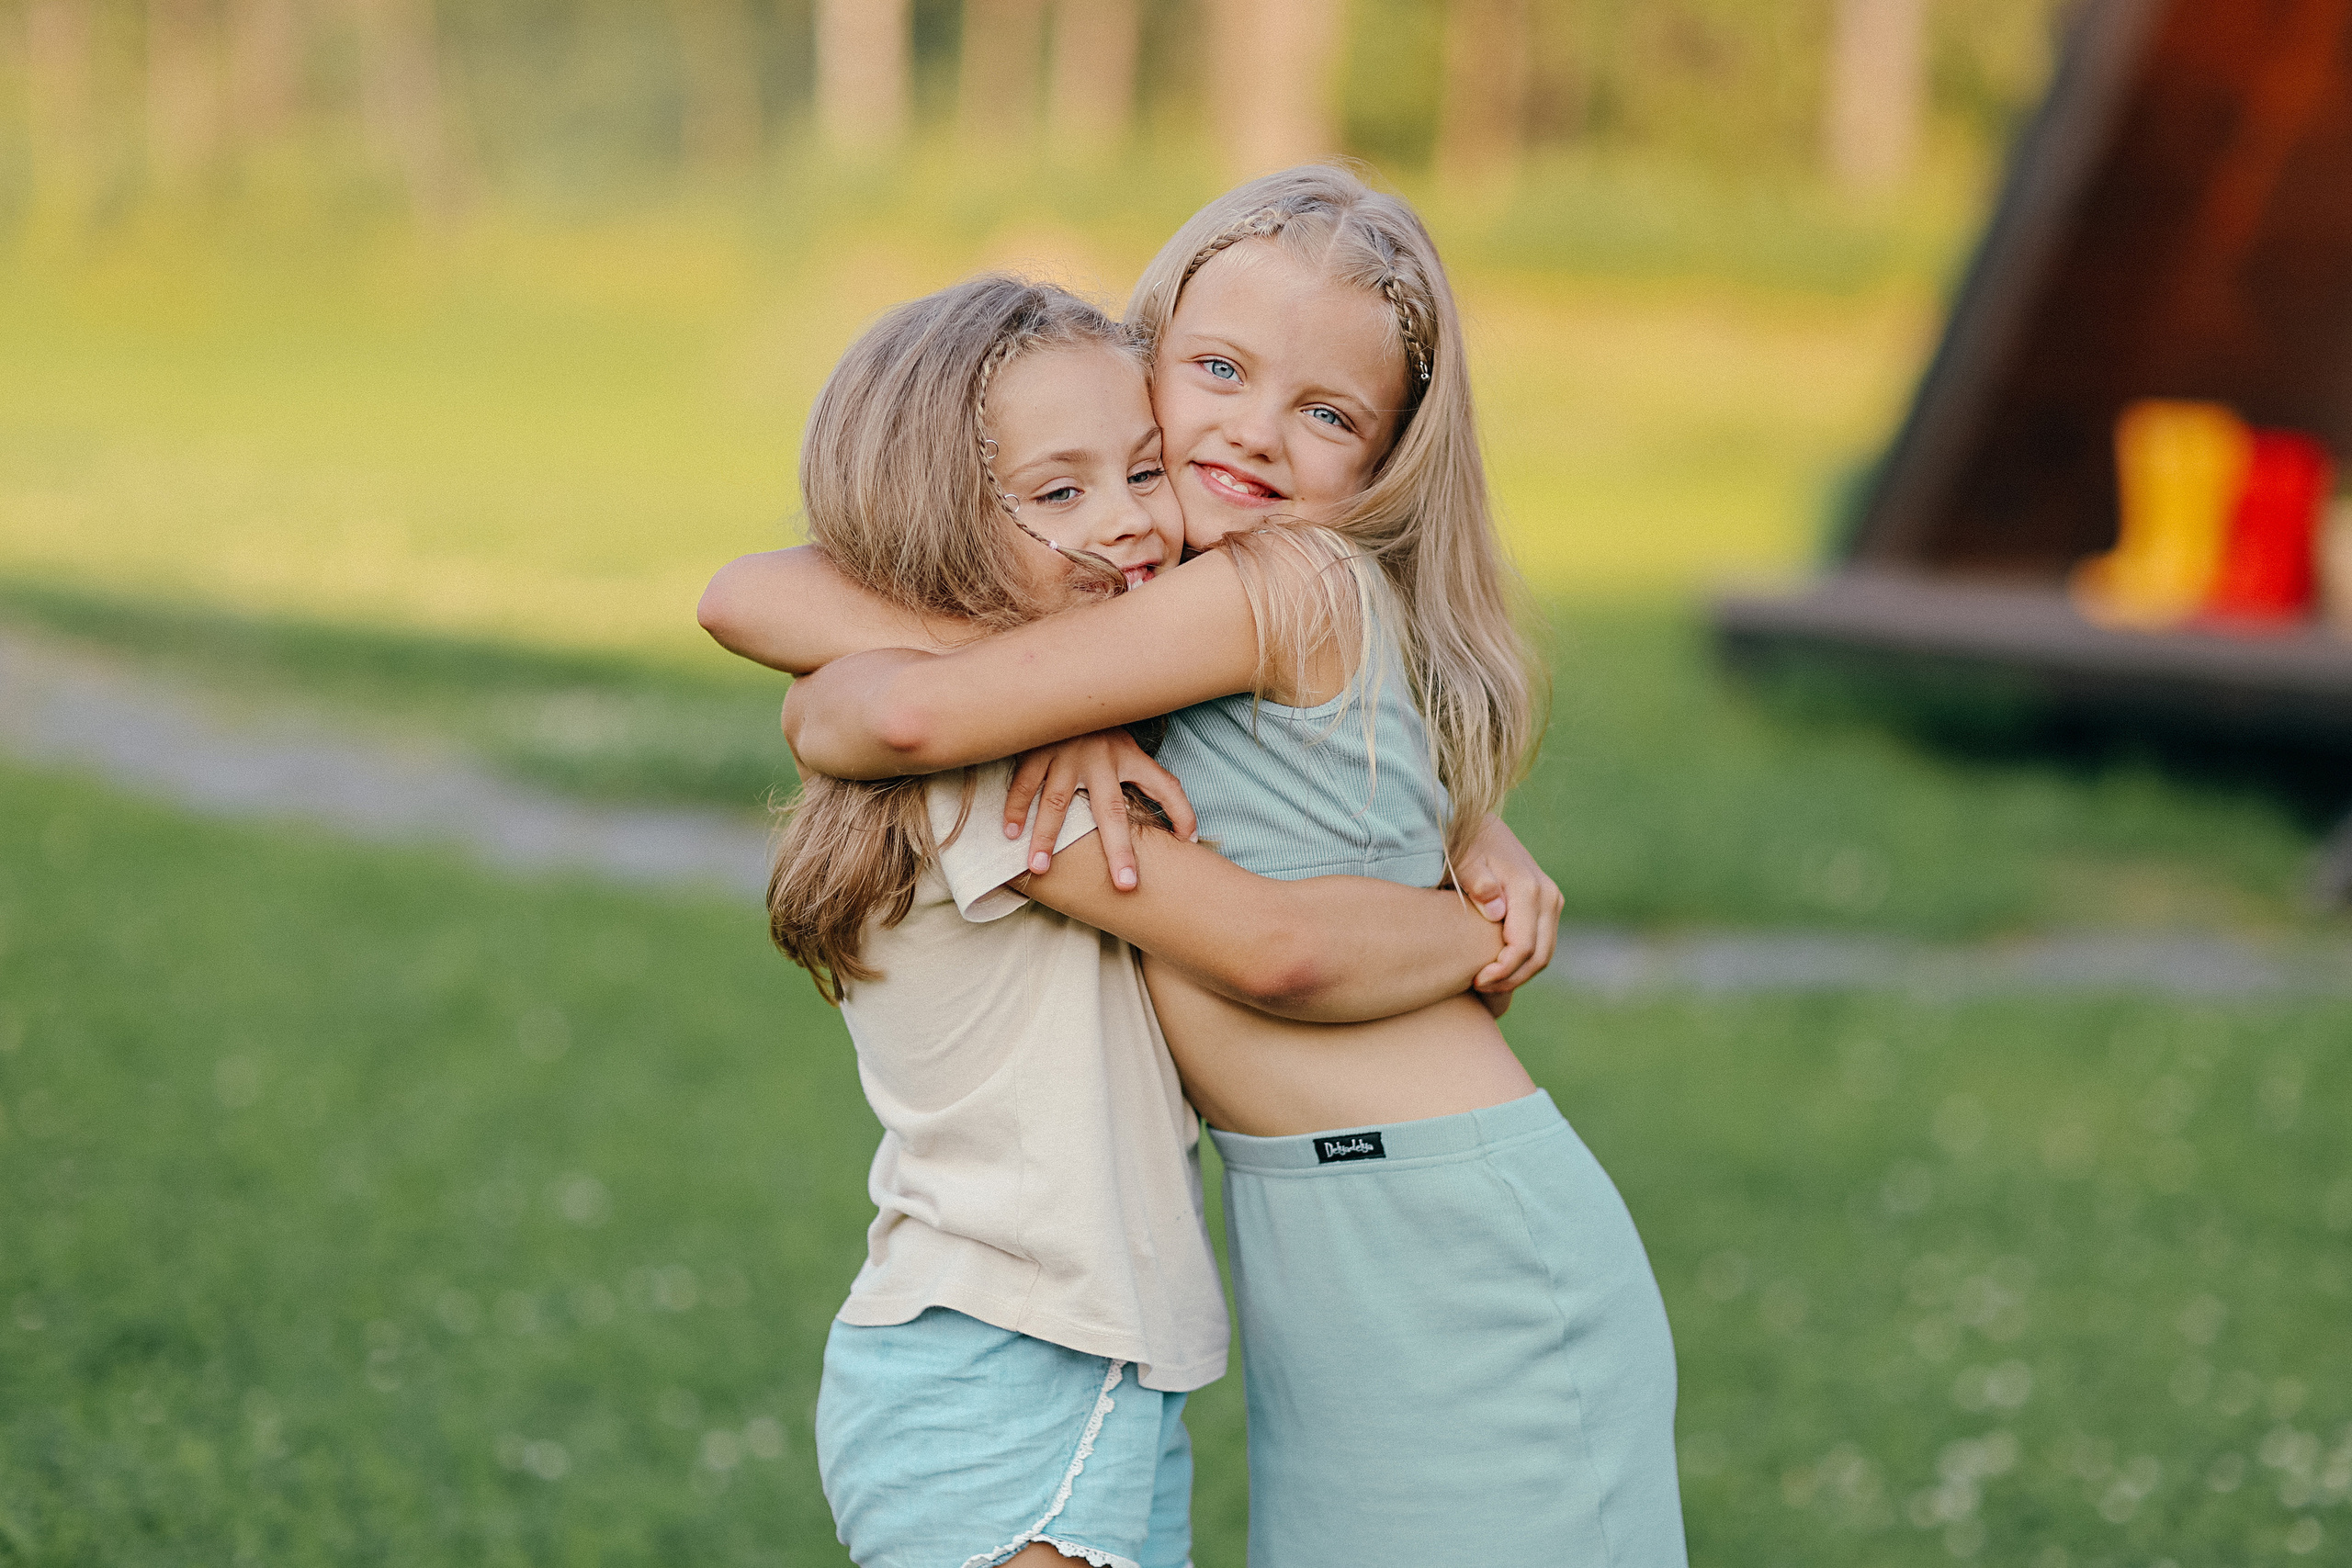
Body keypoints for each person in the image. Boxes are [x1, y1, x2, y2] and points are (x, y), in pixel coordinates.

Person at [710, 166, 1689, 1566]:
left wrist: (1465, 896)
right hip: (1327, 1228)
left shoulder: (1274, 580)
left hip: (1454, 1231)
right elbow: (765, 603)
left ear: (1389, 460)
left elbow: (866, 702)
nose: (1254, 433)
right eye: (1219, 370)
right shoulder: (1135, 596)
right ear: (1143, 361)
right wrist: (1052, 701)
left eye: (1330, 414)